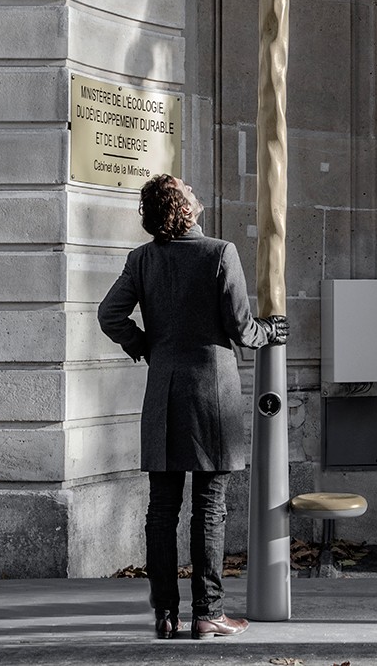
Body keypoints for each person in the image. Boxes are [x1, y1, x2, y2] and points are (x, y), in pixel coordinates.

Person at [97, 175, 288, 640]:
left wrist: (146, 347)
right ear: (183, 206)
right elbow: (243, 329)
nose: (192, 190)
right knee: (210, 506)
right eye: (185, 188)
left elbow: (109, 315)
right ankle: (209, 613)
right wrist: (273, 331)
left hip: (163, 392)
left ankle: (166, 615)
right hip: (211, 395)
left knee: (162, 509)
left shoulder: (142, 259)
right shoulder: (220, 253)